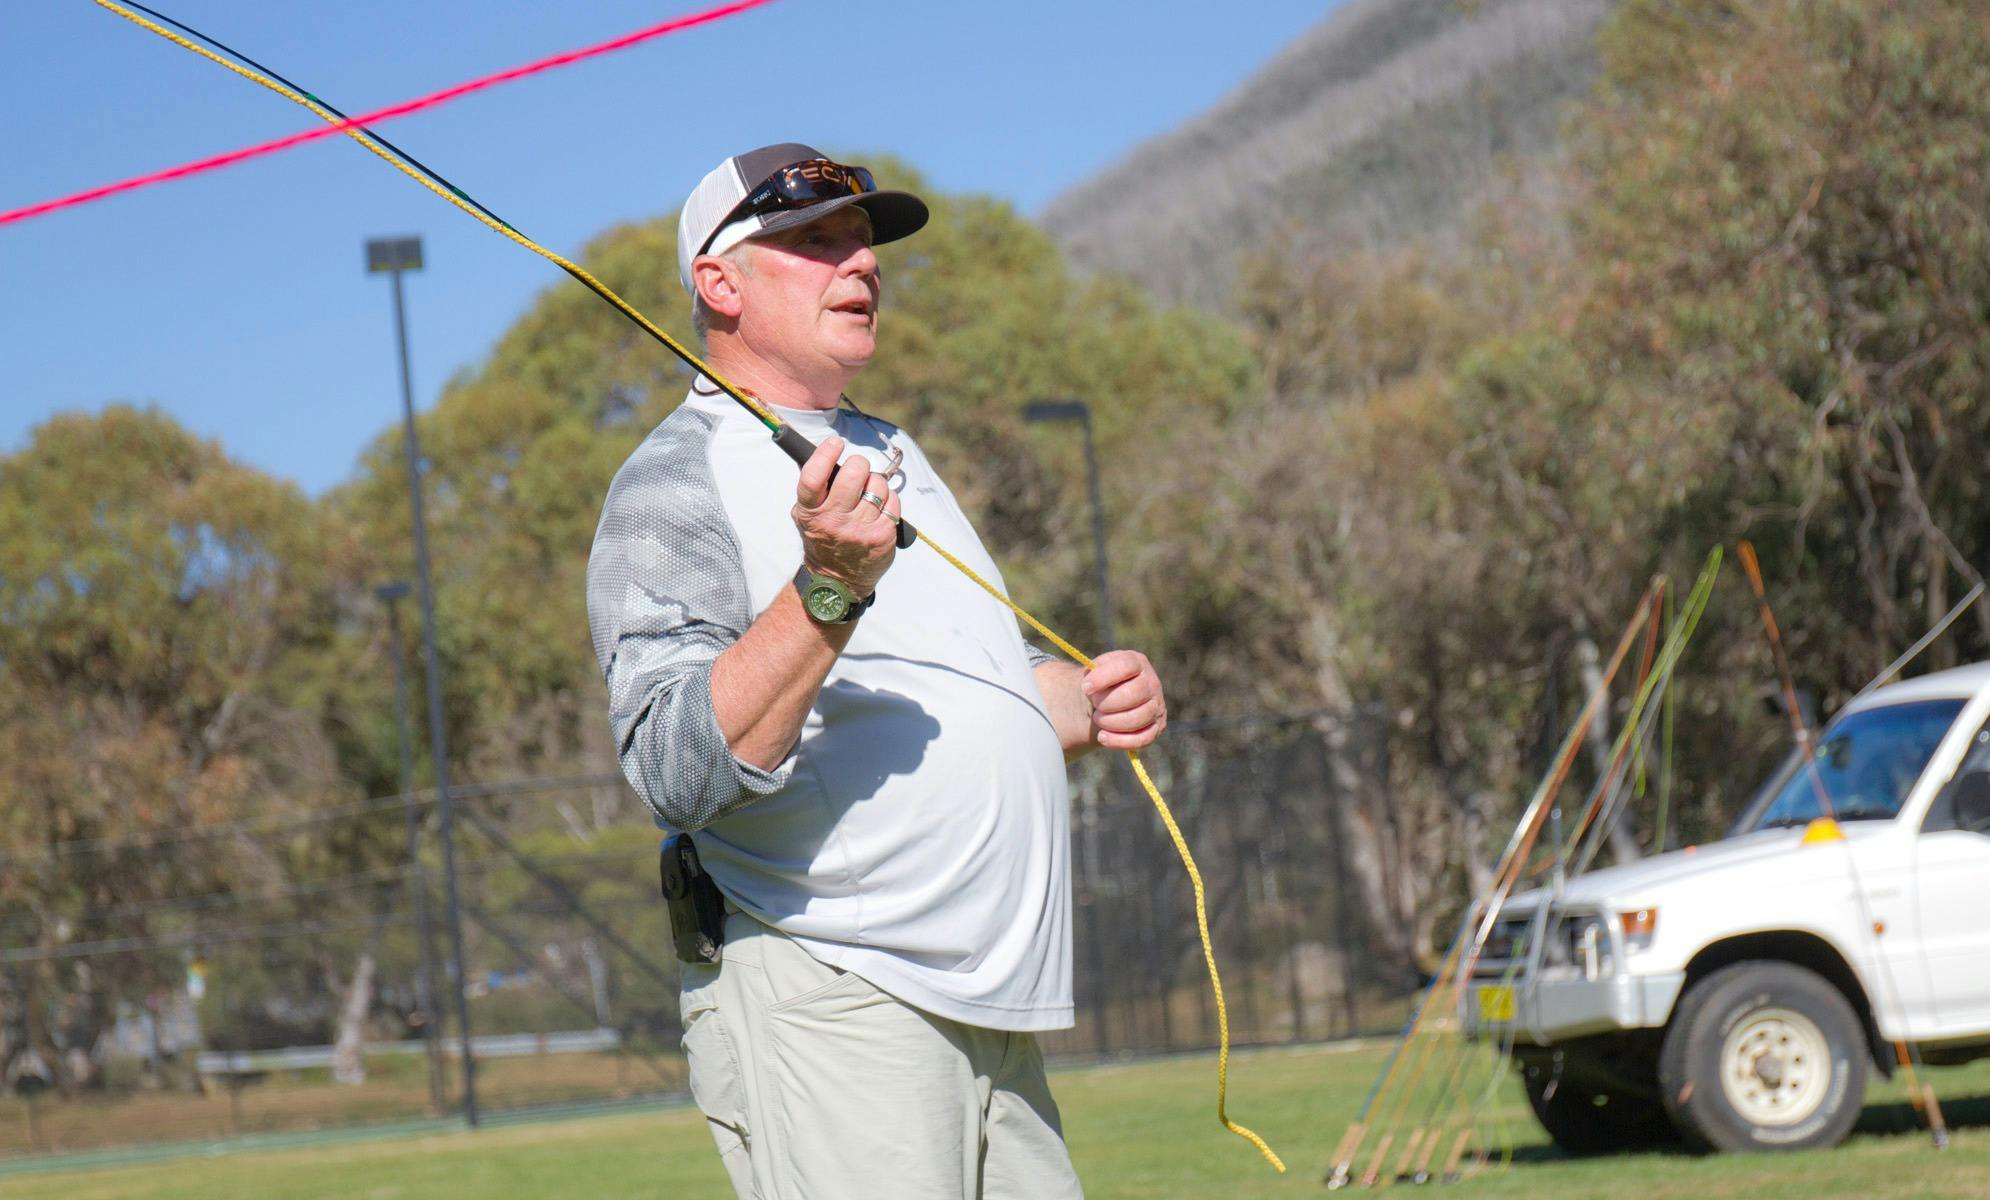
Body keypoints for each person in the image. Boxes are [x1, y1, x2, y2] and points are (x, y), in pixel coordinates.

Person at [586, 143, 1167, 1199]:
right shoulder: (673, 482)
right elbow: (675, 768)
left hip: (987, 1010)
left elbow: (949, 693)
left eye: (863, 240)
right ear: (718, 283)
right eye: (814, 242)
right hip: (837, 995)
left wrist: (1082, 700)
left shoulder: (891, 448)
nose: (860, 263)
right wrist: (826, 589)